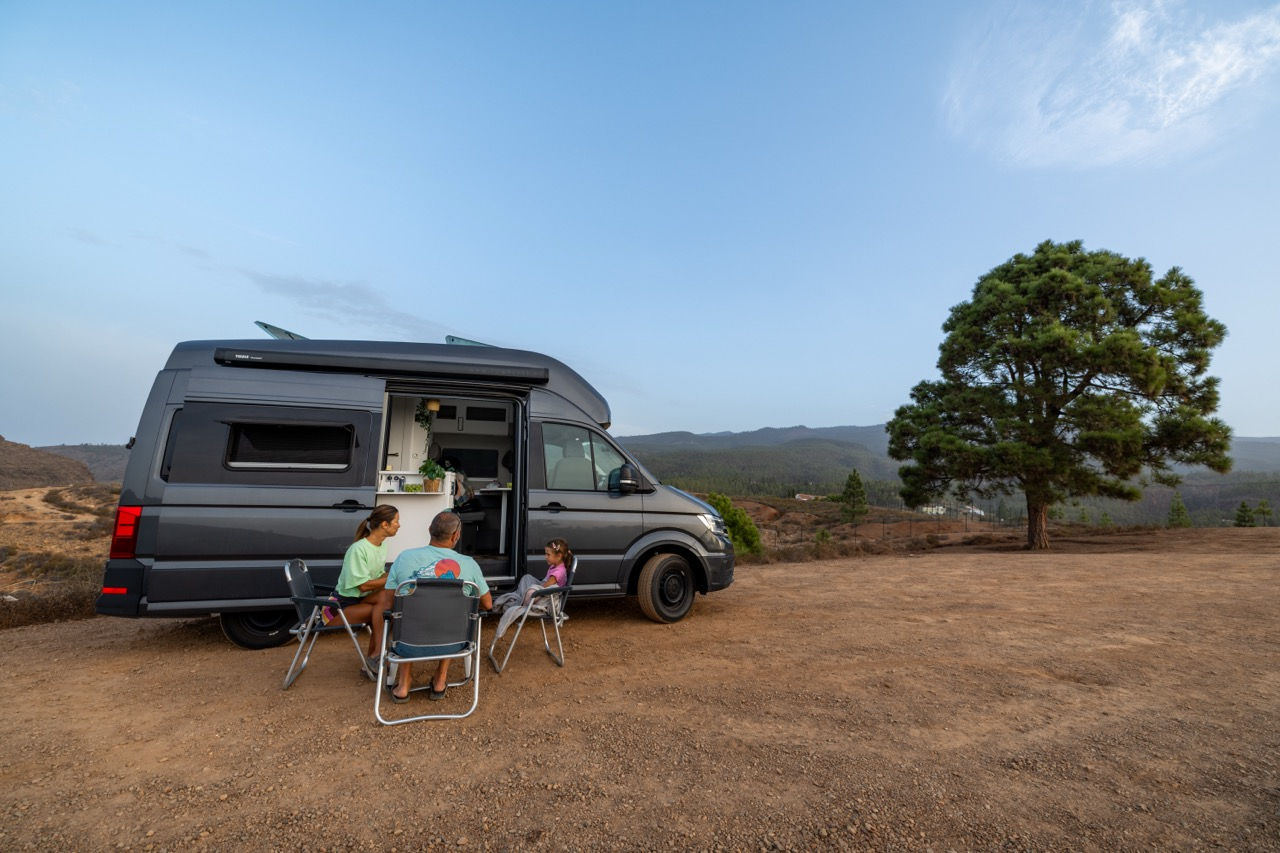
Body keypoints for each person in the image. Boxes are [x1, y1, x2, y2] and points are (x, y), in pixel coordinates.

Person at [383, 511, 492, 703]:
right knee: (451, 615)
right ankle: (440, 679)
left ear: (429, 531)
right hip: (454, 643)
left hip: (408, 643)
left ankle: (403, 684)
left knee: (406, 613)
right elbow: (488, 604)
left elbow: (388, 601)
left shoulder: (404, 558)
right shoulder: (469, 564)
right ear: (455, 536)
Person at [327, 504, 399, 678]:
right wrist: (390, 579)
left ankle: (374, 657)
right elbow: (363, 586)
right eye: (396, 521)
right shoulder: (358, 549)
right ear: (384, 524)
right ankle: (376, 656)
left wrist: (392, 575)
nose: (399, 525)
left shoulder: (381, 546)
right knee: (384, 609)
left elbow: (377, 577)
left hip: (359, 601)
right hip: (336, 609)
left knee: (388, 598)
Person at [491, 538, 573, 640]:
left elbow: (545, 587)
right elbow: (543, 583)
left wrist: (534, 590)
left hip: (548, 598)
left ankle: (523, 601)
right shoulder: (555, 565)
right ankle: (524, 597)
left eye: (548, 554)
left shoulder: (558, 572)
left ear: (559, 556)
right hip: (544, 590)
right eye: (545, 554)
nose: (545, 557)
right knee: (527, 578)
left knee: (532, 589)